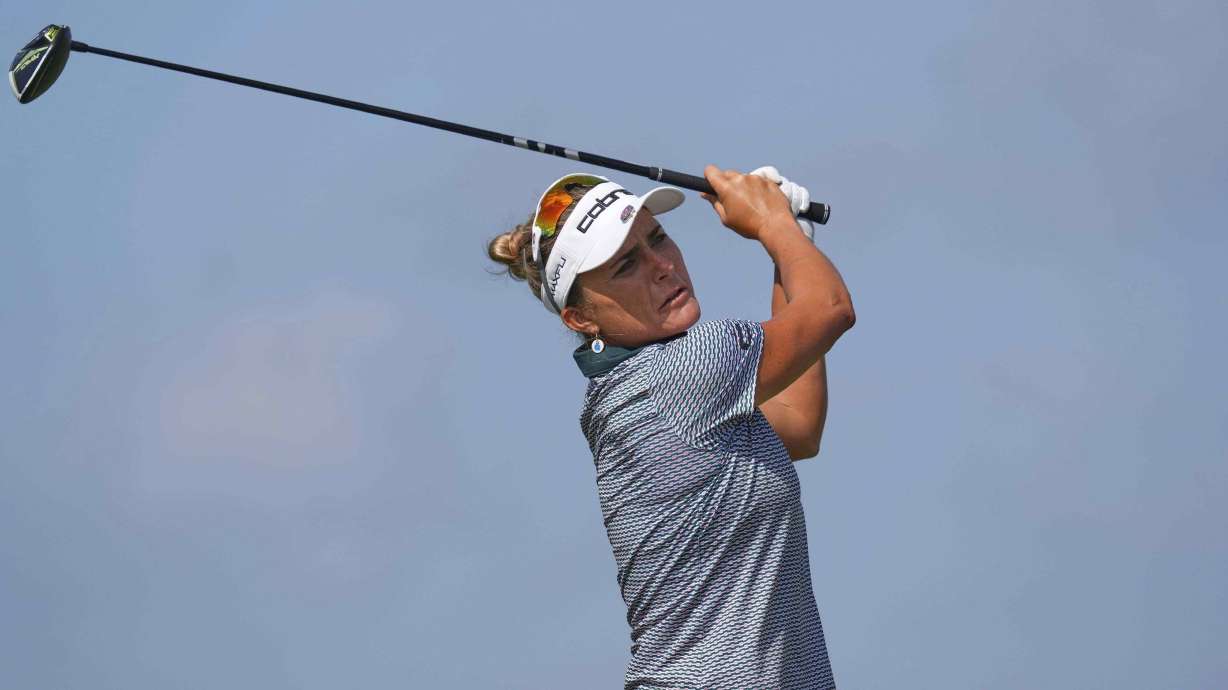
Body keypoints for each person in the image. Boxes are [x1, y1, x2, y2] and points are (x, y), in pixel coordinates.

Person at [486, 164, 855, 689]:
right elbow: (832, 310)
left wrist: (788, 246)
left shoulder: (633, 392)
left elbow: (796, 426)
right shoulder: (684, 371)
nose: (661, 266)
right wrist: (775, 226)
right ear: (582, 320)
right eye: (625, 266)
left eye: (657, 237)